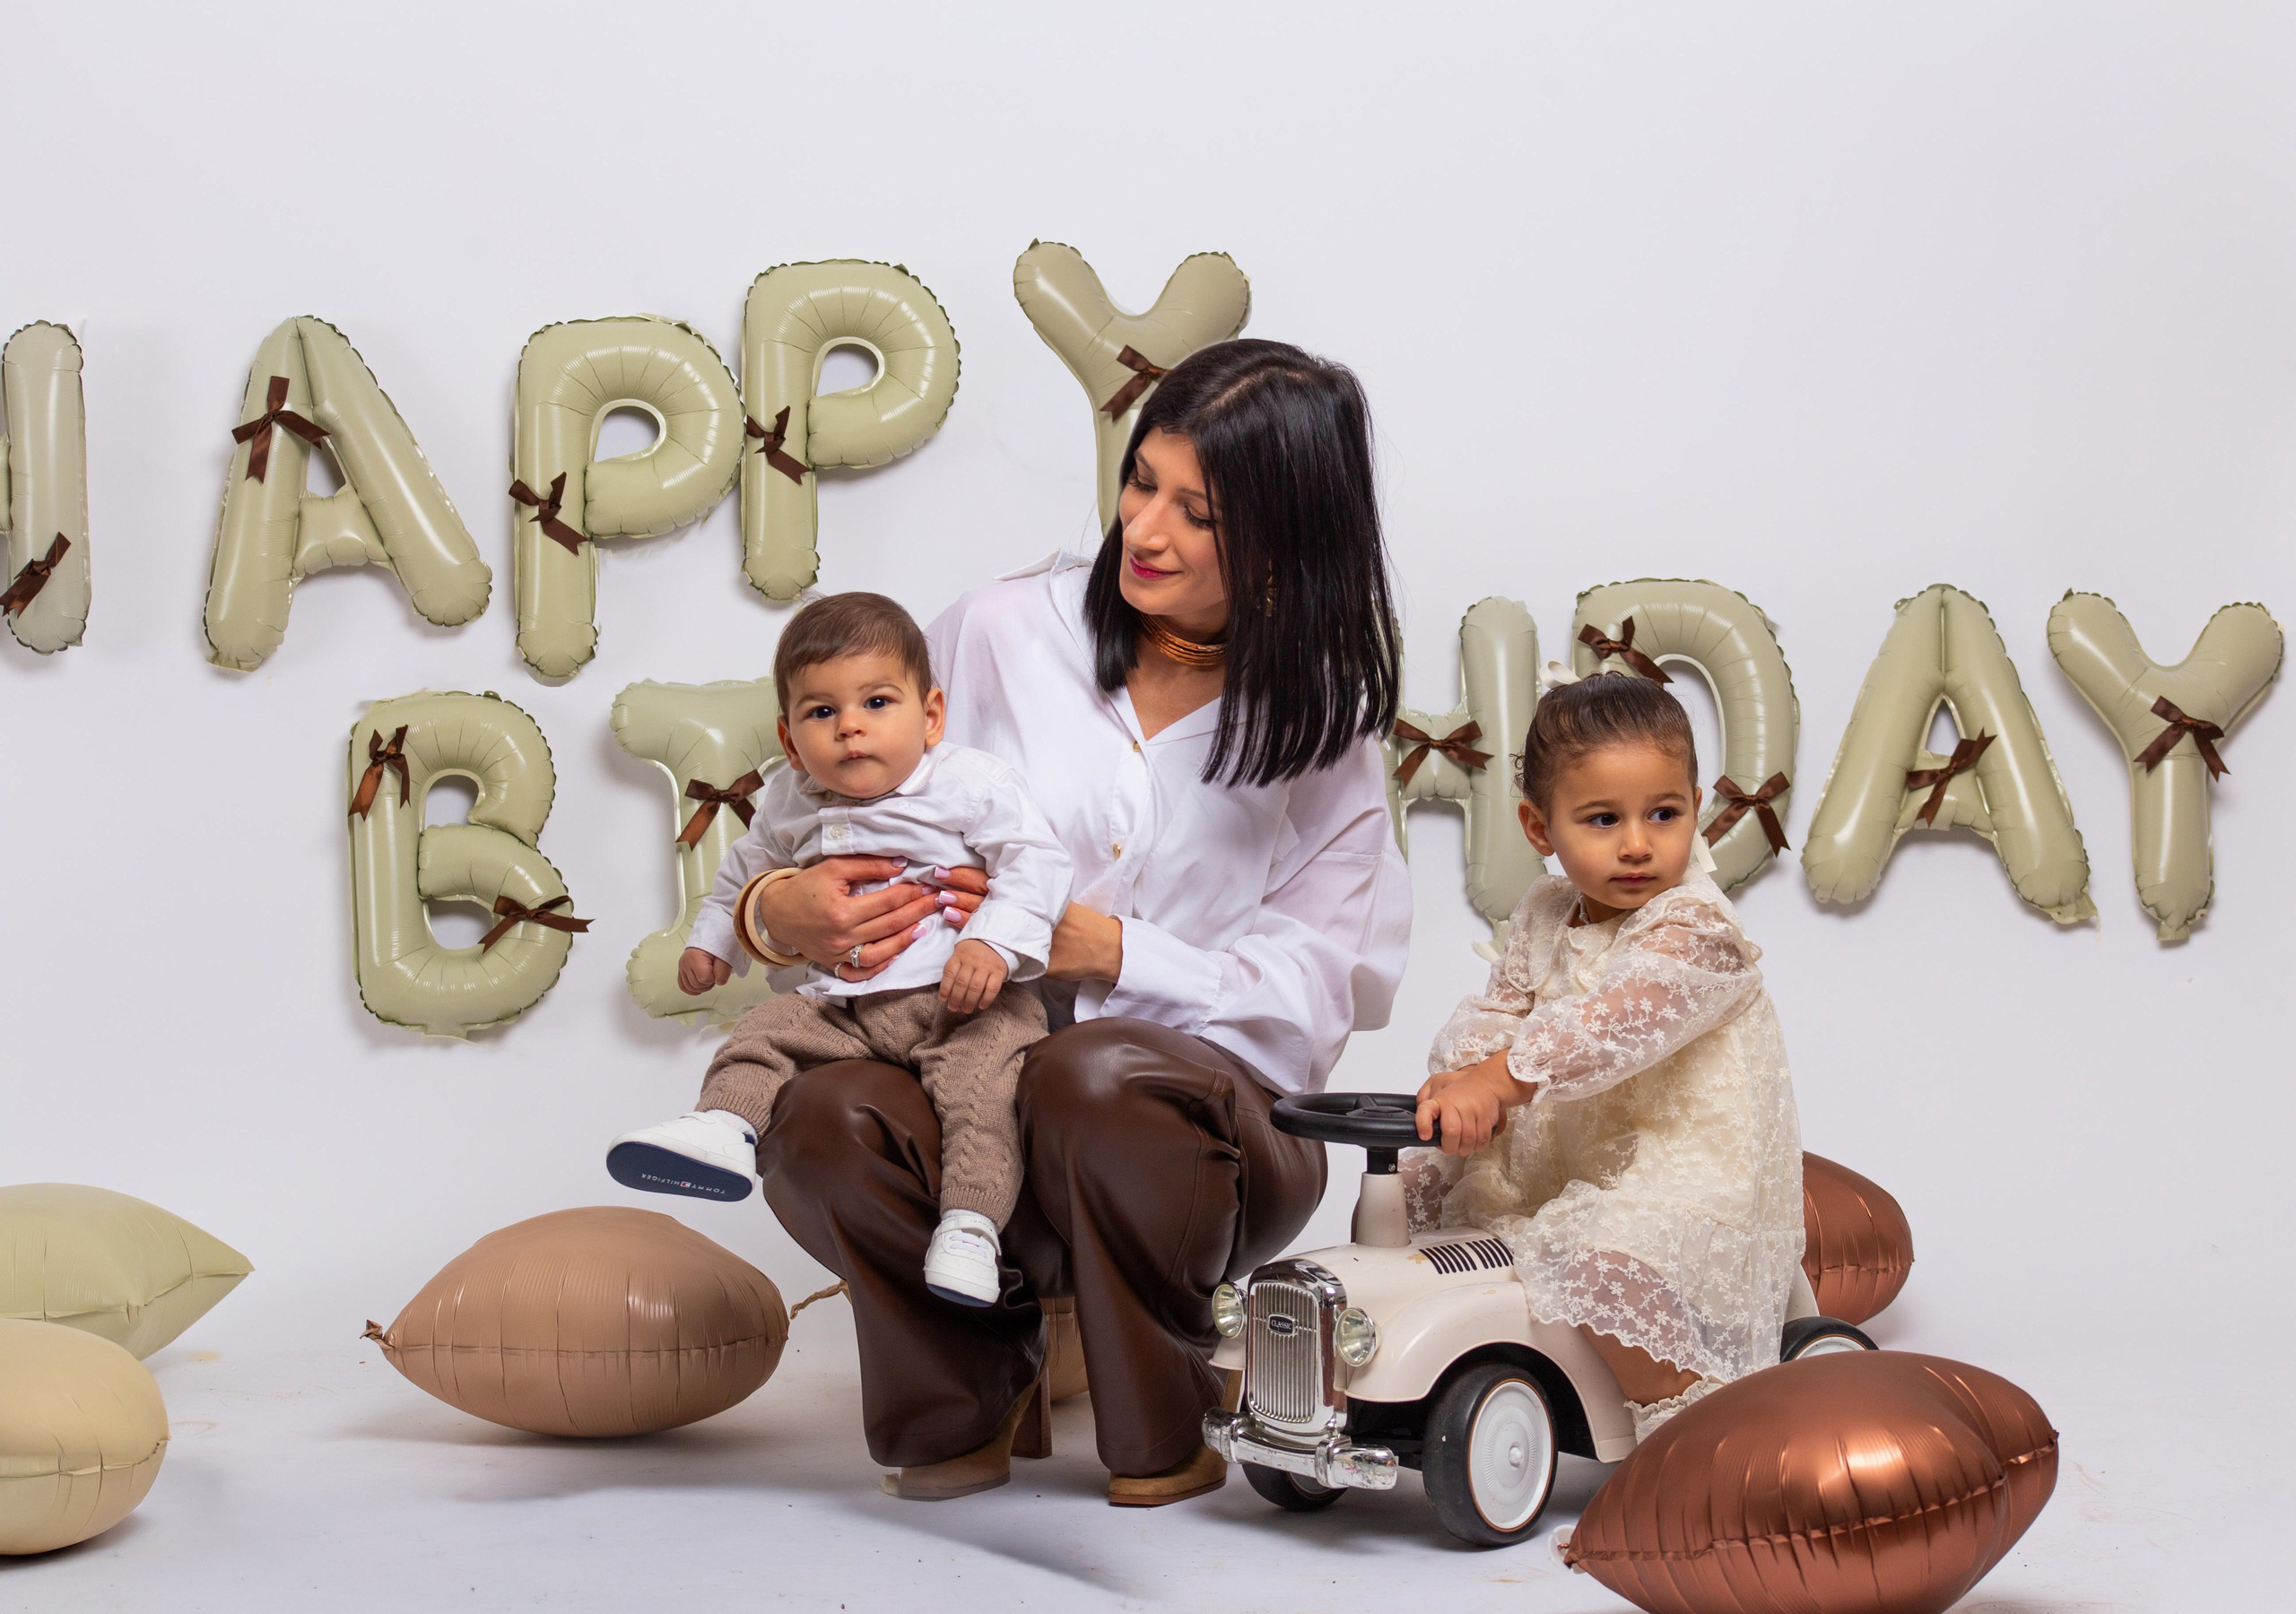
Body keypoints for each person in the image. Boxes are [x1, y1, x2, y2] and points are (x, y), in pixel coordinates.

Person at [736, 339, 1411, 1506]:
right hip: (966, 1102)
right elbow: (817, 804)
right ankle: (963, 1395)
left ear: (1288, 541)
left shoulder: (1325, 733)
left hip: (1205, 1144)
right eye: (1140, 482)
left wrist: (1110, 955)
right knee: (819, 1114)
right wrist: (772, 911)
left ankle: (1167, 1420)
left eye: (1197, 513)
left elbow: (1307, 1012)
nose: (1143, 531)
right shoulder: (997, 633)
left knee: (1089, 1074)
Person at [605, 592, 1071, 1307]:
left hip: (961, 1001)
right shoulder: (790, 798)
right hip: (845, 1006)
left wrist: (994, 944)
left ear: (932, 716)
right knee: (764, 1032)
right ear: (790, 741)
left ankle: (971, 1228)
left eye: (877, 702)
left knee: (983, 1096)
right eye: (822, 713)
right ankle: (726, 1125)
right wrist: (715, 944)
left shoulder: (970, 785)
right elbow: (743, 873)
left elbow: (1037, 864)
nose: (850, 727)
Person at [1409, 671, 1805, 1439]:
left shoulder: (1697, 927)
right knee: (1424, 1179)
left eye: (1664, 813)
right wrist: (1464, 1074)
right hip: (1568, 1154)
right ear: (1538, 826)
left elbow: (1611, 1023)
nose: (1636, 844)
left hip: (1681, 1165)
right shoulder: (1545, 909)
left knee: (1599, 1260)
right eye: (1600, 819)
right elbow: (1501, 1006)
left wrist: (1504, 1077)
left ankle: (1687, 1427)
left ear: (1698, 809)